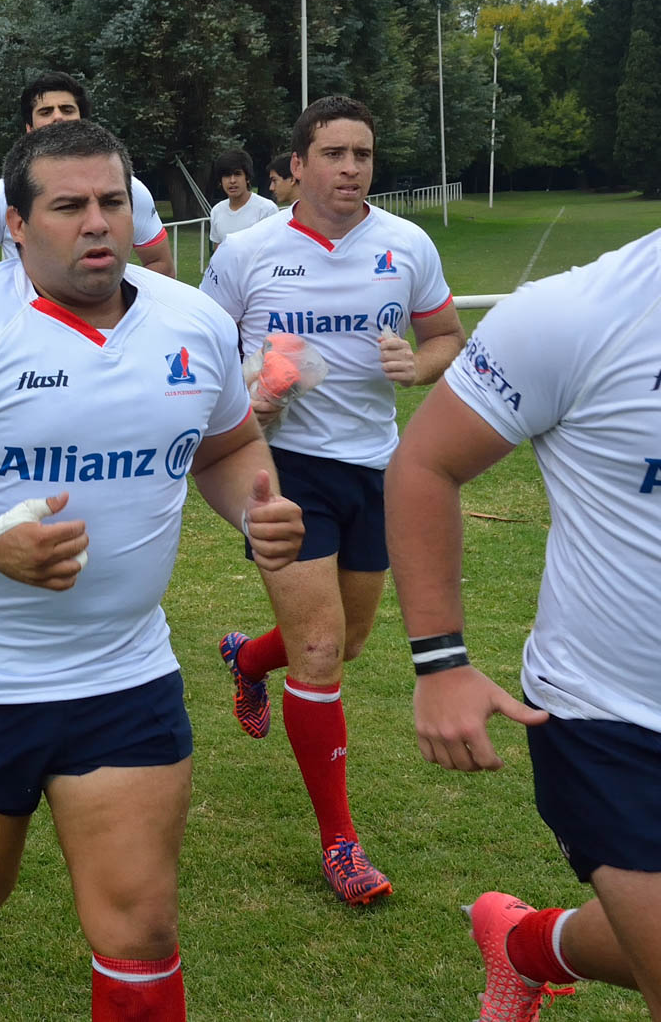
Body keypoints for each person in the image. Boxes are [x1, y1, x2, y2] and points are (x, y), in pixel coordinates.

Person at [0, 119, 303, 1022]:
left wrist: (254, 508)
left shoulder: (190, 321)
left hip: (125, 672)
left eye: (112, 202)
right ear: (17, 223)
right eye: (70, 206)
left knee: (142, 926)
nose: (97, 225)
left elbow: (229, 444)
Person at [386, 232, 661, 1020]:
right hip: (616, 722)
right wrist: (440, 662)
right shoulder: (574, 315)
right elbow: (425, 464)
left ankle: (528, 945)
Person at [199, 94, 464, 904]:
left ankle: (248, 657)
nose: (352, 168)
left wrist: (416, 367)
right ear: (299, 165)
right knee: (318, 652)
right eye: (336, 154)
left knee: (346, 639)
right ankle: (342, 843)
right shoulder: (250, 252)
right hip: (283, 467)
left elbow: (446, 337)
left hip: (377, 467)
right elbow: (200, 350)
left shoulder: (405, 246)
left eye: (364, 155)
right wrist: (251, 396)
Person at [0, 72, 177, 279]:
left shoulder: (128, 190)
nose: (58, 117)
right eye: (46, 112)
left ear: (83, 121)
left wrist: (111, 306)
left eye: (67, 109)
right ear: (29, 128)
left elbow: (162, 266)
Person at [207, 149, 276, 246]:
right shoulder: (217, 211)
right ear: (220, 180)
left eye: (237, 174)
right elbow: (218, 252)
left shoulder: (266, 209)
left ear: (247, 177)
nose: (232, 181)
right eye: (227, 176)